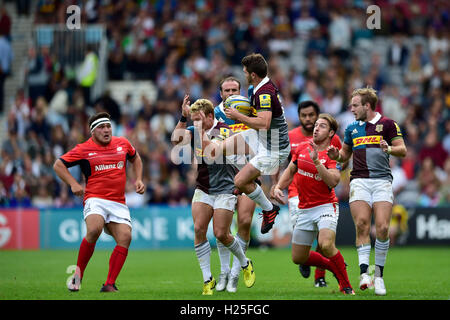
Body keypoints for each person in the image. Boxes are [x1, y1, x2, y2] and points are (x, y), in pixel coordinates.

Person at [197, 53, 291, 235]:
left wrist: (237, 116)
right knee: (217, 149)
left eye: (245, 71)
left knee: (239, 181)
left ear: (253, 75)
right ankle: (228, 183)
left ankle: (268, 209)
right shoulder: (253, 90)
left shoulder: (264, 93)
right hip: (260, 137)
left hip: (273, 146)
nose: (244, 73)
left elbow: (263, 123)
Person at [171, 96, 255, 295]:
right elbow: (175, 140)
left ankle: (245, 262)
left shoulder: (224, 130)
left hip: (225, 188)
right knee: (199, 229)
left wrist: (199, 131)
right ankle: (207, 279)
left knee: (221, 234)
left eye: (198, 119)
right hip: (203, 188)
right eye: (193, 120)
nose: (195, 123)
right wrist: (183, 118)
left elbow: (211, 153)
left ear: (210, 116)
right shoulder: (194, 128)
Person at [327, 87, 407, 296]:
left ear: (367, 106)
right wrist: (337, 155)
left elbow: (402, 149)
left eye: (355, 105)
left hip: (381, 182)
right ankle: (364, 274)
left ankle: (378, 276)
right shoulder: (352, 128)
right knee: (362, 224)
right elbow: (345, 155)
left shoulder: (388, 125)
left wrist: (388, 148)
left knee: (381, 228)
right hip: (359, 181)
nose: (351, 109)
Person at [53, 112, 145, 292]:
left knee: (125, 237)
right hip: (95, 199)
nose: (106, 130)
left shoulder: (122, 143)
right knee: (94, 229)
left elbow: (136, 159)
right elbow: (58, 165)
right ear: (92, 132)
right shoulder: (83, 149)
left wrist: (139, 179)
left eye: (108, 126)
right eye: (101, 127)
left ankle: (109, 284)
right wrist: (73, 184)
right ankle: (78, 276)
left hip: (118, 202)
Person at [271, 113, 354, 295]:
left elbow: (333, 182)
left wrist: (317, 161)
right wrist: (279, 187)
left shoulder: (333, 153)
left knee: (325, 244)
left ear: (331, 132)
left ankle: (346, 285)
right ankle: (334, 266)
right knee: (298, 257)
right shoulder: (302, 147)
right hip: (304, 208)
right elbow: (292, 169)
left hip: (325, 206)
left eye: (322, 126)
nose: (316, 128)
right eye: (316, 125)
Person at [287, 100, 343, 287]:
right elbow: (286, 163)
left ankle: (320, 276)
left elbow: (341, 159)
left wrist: (338, 168)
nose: (308, 119)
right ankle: (306, 259)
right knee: (302, 234)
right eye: (304, 115)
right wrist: (277, 185)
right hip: (297, 192)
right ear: (300, 117)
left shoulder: (331, 137)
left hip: (321, 192)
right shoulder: (291, 136)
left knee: (323, 237)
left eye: (312, 115)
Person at [213, 76, 257, 293]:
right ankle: (223, 271)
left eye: (234, 90)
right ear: (220, 93)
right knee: (223, 228)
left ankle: (235, 273)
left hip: (248, 172)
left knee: (246, 221)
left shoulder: (249, 111)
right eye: (226, 90)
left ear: (241, 91)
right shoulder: (214, 114)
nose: (230, 93)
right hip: (224, 176)